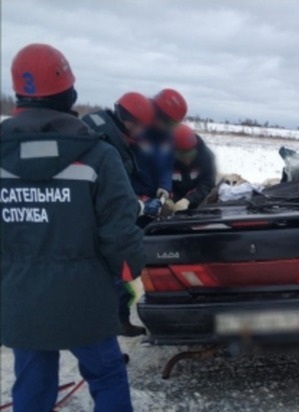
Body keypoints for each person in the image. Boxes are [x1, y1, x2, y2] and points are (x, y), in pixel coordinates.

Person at [1, 43, 143, 411]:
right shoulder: (98, 155)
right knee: (107, 375)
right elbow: (119, 230)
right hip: (86, 298)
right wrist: (130, 270)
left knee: (32, 380)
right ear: (69, 92)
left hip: (21, 296)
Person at [82, 92, 160, 337]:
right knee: (119, 272)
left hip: (86, 218)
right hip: (96, 224)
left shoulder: (101, 132)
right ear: (130, 122)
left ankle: (115, 321)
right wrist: (140, 206)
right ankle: (113, 324)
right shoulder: (107, 147)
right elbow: (112, 199)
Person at [130, 89, 187, 208]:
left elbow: (167, 164)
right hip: (132, 196)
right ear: (158, 114)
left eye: (174, 125)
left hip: (152, 197)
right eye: (170, 123)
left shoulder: (167, 137)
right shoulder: (134, 129)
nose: (171, 128)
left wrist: (165, 186)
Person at [172, 123, 217, 211]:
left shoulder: (207, 157)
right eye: (183, 156)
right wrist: (170, 199)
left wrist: (188, 200)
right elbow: (164, 181)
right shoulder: (166, 159)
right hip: (175, 205)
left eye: (190, 154)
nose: (187, 160)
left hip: (199, 204)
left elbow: (207, 184)